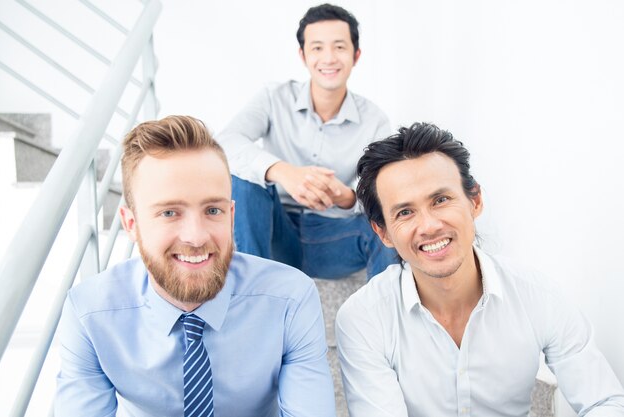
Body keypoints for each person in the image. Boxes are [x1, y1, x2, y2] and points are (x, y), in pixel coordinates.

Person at [54, 116, 336, 417]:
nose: (197, 237)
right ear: (131, 224)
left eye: (212, 210)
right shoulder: (90, 313)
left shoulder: (290, 299)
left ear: (230, 216)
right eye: (169, 213)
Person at [335, 122, 624, 416]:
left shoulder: (536, 294)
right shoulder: (364, 318)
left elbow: (604, 402)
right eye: (405, 212)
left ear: (475, 201)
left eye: (441, 200)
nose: (430, 226)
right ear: (383, 232)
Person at [217, 4, 396, 279]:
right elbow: (225, 142)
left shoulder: (375, 120)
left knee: (387, 223)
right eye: (317, 48)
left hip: (334, 238)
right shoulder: (273, 97)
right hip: (274, 232)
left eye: (339, 47)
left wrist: (346, 197)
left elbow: (386, 192)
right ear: (302, 55)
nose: (328, 58)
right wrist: (282, 172)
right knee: (244, 175)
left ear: (355, 55)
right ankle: (254, 292)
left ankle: (387, 315)